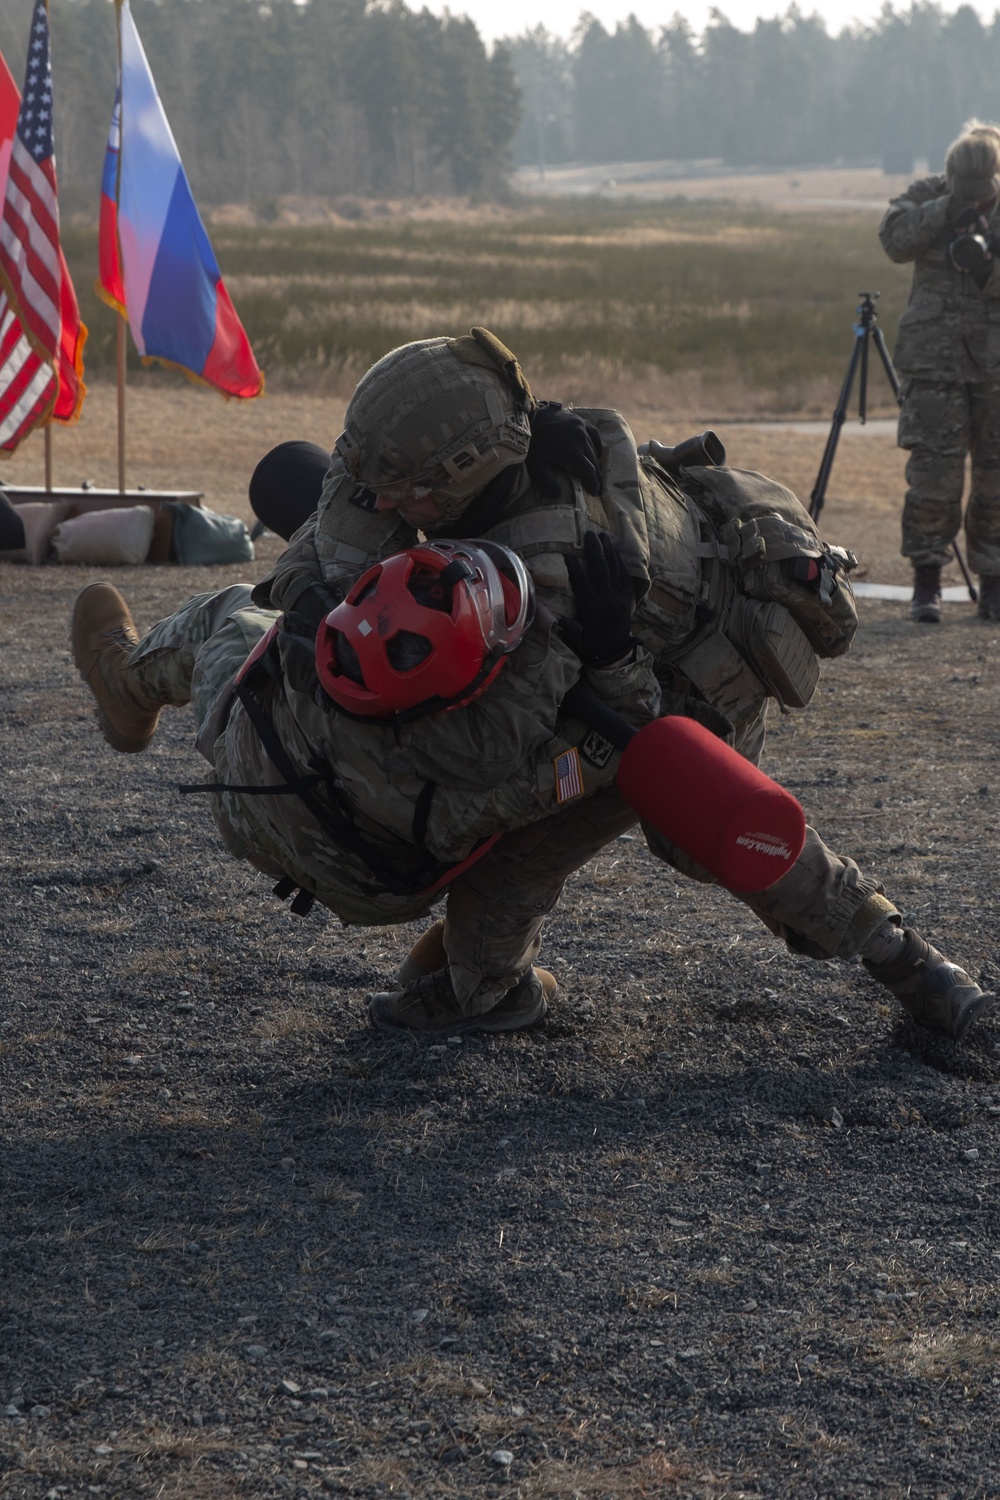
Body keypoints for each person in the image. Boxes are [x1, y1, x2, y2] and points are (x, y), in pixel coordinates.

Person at [71, 327, 992, 1046]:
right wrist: (318, 602)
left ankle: (908, 962)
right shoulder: (479, 459)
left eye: (405, 489)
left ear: (468, 472)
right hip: (614, 674)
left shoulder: (553, 578)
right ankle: (480, 986)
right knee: (555, 810)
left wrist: (599, 662)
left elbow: (527, 746)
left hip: (654, 681)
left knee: (645, 785)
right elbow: (335, 529)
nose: (382, 501)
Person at [880, 119, 1000, 624]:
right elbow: (893, 240)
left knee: (996, 482)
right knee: (932, 479)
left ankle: (994, 586)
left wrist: (986, 268)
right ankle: (926, 585)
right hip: (934, 363)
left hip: (994, 365)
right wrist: (944, 211)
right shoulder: (927, 197)